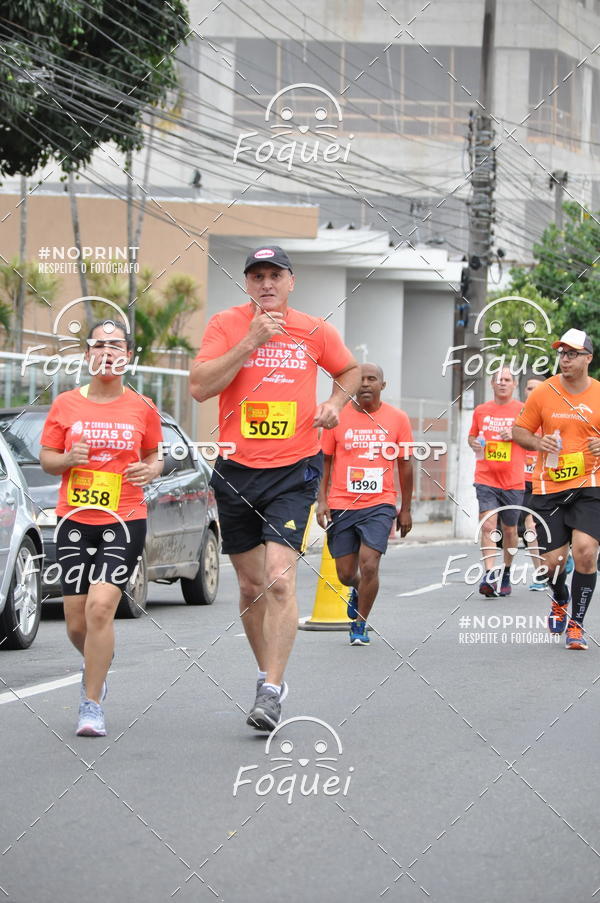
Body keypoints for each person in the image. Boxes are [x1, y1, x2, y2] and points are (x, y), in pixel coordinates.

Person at [190, 246, 359, 731]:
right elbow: (200, 387)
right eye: (257, 276)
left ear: (291, 281)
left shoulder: (313, 329)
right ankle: (269, 677)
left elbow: (348, 370)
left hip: (293, 470)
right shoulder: (226, 324)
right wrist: (247, 343)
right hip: (237, 468)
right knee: (249, 586)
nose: (266, 284)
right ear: (247, 283)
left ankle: (269, 691)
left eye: (275, 275)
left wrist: (335, 404)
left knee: (280, 578)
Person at [40, 319, 163, 735]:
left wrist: (150, 471)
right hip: (74, 519)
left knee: (100, 608)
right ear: (87, 354)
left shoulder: (142, 406)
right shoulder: (66, 405)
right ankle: (98, 664)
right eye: (98, 345)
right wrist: (67, 459)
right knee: (76, 620)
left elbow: (155, 456)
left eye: (115, 345)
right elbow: (47, 460)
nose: (107, 352)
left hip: (125, 519)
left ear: (127, 355)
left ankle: (91, 703)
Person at [513, 328, 600, 650]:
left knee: (585, 552)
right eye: (562, 353)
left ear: (588, 358)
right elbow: (518, 431)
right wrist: (538, 441)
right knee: (551, 564)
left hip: (591, 485)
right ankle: (560, 598)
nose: (565, 359)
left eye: (572, 354)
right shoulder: (544, 392)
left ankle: (576, 624)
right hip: (549, 486)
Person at [316, 363, 413, 645]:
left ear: (383, 385)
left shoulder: (398, 419)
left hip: (379, 503)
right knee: (347, 574)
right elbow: (324, 460)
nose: (366, 384)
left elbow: (405, 464)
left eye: (373, 379)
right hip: (342, 502)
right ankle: (357, 589)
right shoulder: (337, 417)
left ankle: (360, 623)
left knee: (369, 564)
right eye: (361, 380)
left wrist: (404, 508)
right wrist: (322, 500)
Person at [468, 367, 527, 597]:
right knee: (489, 525)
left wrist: (515, 435)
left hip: (513, 481)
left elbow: (535, 439)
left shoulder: (523, 411)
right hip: (486, 478)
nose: (502, 383)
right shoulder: (481, 411)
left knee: (510, 531)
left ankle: (507, 572)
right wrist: (473, 443)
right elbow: (472, 436)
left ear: (514, 385)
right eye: (498, 380)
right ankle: (489, 574)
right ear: (491, 384)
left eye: (507, 379)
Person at [522, 376, 547, 591]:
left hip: (549, 480)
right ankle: (539, 574)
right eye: (528, 388)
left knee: (553, 529)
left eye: (536, 389)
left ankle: (561, 556)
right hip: (523, 480)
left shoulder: (552, 416)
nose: (531, 392)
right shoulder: (518, 415)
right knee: (530, 526)